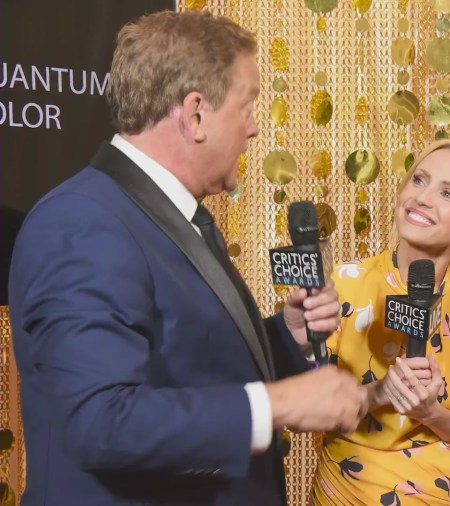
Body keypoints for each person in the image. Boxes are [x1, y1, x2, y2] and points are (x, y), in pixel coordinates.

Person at [9, 11, 367, 505]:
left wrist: (286, 337)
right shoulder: (82, 222)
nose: (256, 127)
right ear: (196, 113)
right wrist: (275, 404)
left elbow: (191, 362)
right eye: (247, 105)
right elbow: (100, 421)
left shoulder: (168, 214)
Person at [309, 140, 450, 505]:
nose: (423, 198)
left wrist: (430, 413)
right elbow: (306, 408)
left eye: (448, 194)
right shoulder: (344, 283)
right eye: (419, 180)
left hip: (441, 493)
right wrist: (378, 394)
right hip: (347, 490)